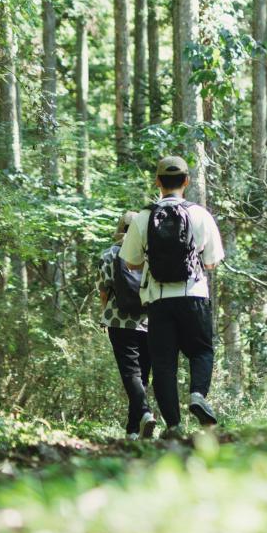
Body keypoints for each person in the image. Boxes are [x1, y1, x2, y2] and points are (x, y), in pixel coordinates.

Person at [120, 155, 225, 430]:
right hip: (194, 295)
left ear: (158, 182)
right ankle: (198, 395)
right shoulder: (200, 214)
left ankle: (174, 426)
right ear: (186, 182)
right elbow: (213, 262)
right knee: (202, 351)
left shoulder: (144, 217)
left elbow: (130, 262)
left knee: (164, 364)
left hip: (159, 300)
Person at [99, 211, 156, 440]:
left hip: (118, 319)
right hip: (149, 321)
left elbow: (104, 289)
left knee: (130, 371)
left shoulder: (110, 254)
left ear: (120, 229)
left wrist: (105, 313)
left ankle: (142, 414)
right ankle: (133, 430)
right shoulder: (152, 254)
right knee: (143, 374)